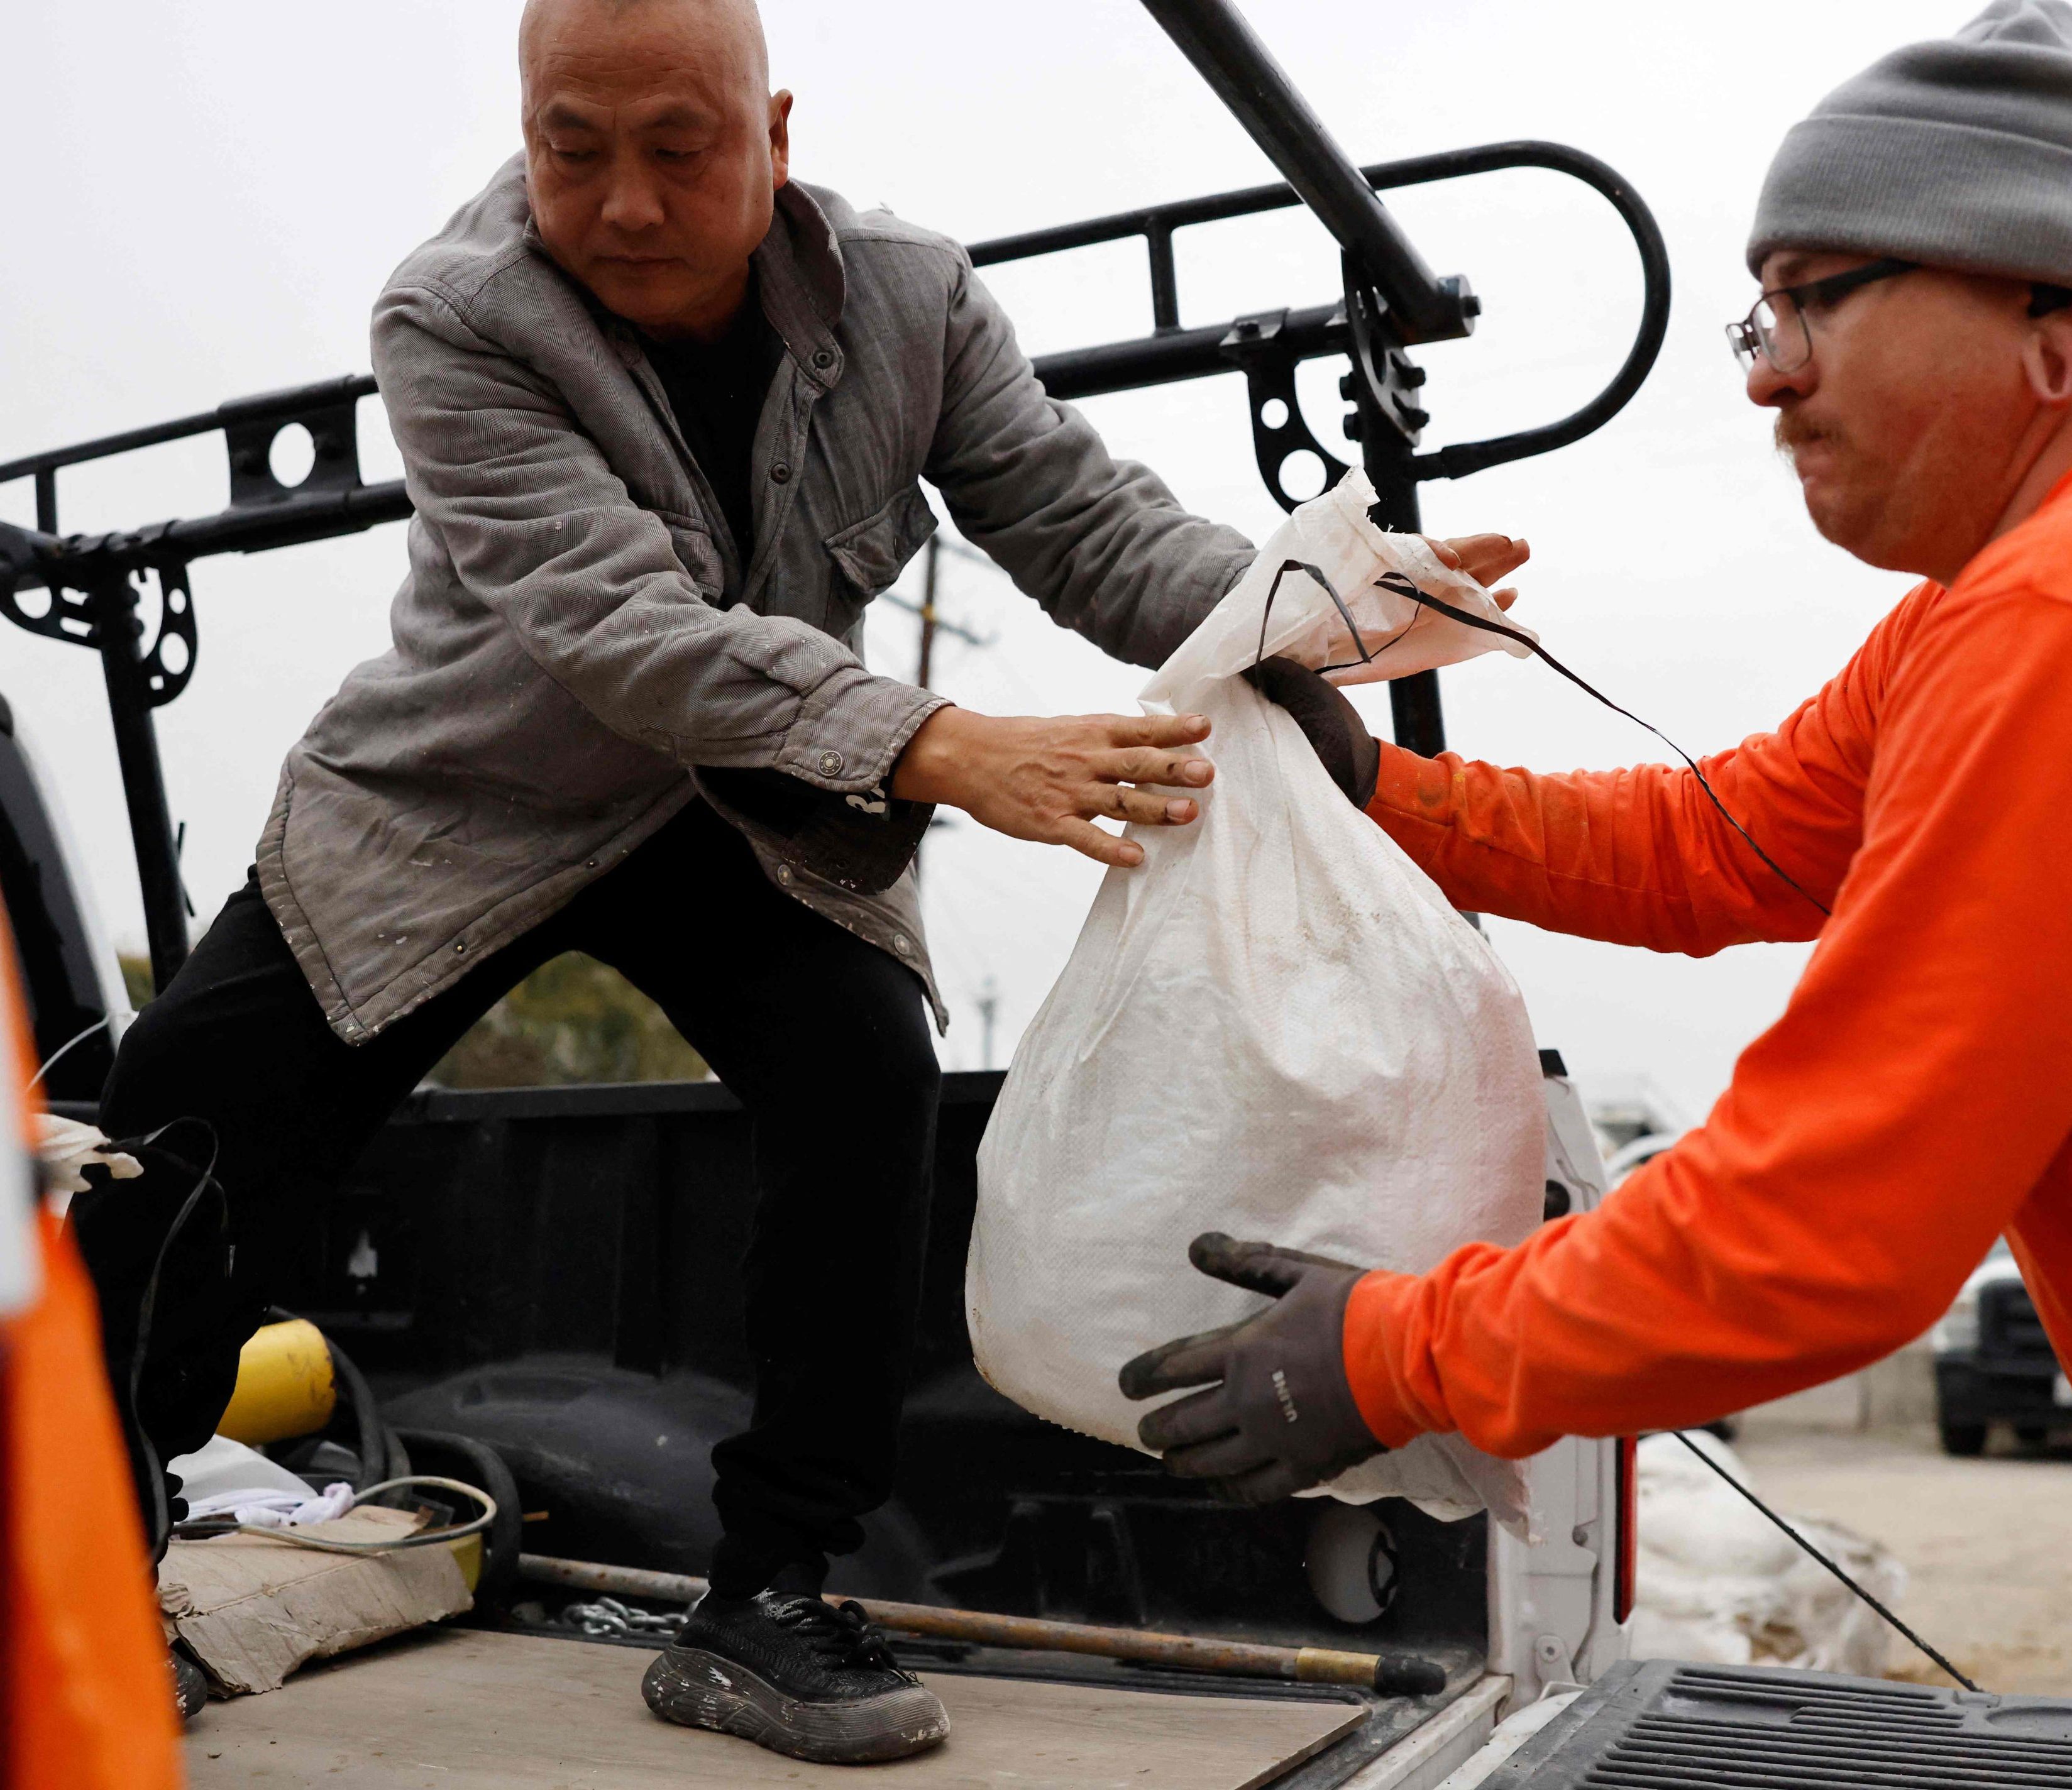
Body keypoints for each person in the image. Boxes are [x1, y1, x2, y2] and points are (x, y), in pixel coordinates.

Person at [65, 0, 1527, 1764]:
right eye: (568, 146)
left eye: (678, 147)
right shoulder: (447, 317)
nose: (617, 202)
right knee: (182, 1134)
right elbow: (629, 633)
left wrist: (1328, 598)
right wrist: (954, 746)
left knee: (865, 1080)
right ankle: (72, 1550)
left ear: (775, 130)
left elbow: (1081, 521)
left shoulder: (911, 299)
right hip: (450, 804)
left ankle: (772, 1594)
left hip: (754, 810)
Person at [1121, 6, 2072, 1785]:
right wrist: (1376, 786)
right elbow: (1714, 842)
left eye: (1815, 299)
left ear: (2055, 312)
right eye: (1754, 312)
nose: (1765, 372)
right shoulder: (2047, 589)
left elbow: (1830, 1228)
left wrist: (1398, 1348)